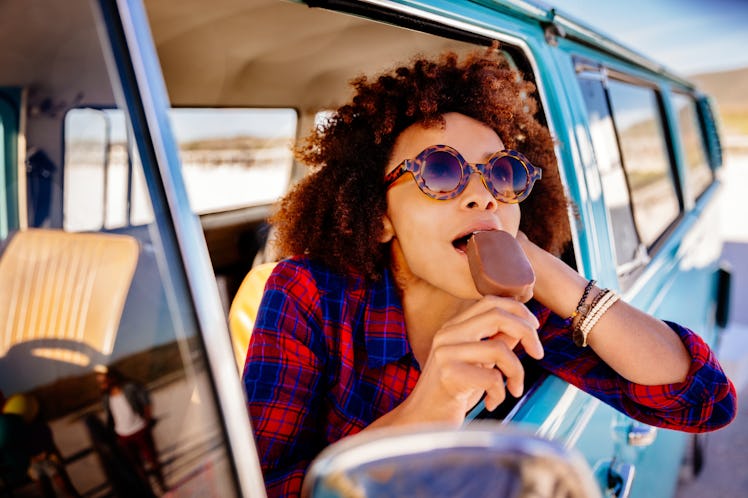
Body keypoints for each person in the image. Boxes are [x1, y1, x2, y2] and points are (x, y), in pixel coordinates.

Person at [241, 46, 737, 497]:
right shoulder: (309, 292)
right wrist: (428, 409)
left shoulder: (531, 311)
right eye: (440, 171)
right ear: (381, 216)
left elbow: (703, 400)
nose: (484, 194)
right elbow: (258, 486)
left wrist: (539, 263)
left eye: (503, 173)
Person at [95, 365, 166, 494]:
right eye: (100, 382)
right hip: (123, 435)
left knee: (153, 460)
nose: (102, 384)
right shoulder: (106, 398)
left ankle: (162, 485)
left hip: (140, 429)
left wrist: (147, 420)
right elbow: (110, 416)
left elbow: (146, 400)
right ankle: (148, 490)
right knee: (137, 467)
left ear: (112, 377)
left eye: (103, 381)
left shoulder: (130, 387)